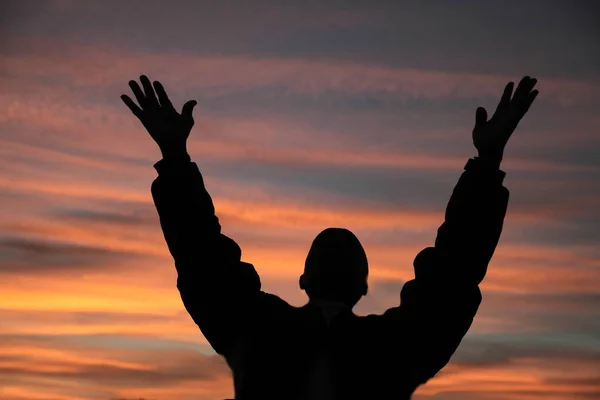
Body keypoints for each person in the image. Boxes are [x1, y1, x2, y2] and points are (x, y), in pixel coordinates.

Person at [121, 75, 538, 399]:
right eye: (329, 248)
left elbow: (452, 276)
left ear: (360, 286)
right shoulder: (261, 330)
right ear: (361, 286)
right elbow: (202, 257)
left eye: (343, 250)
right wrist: (173, 157)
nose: (336, 246)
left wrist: (487, 164)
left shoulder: (388, 346)